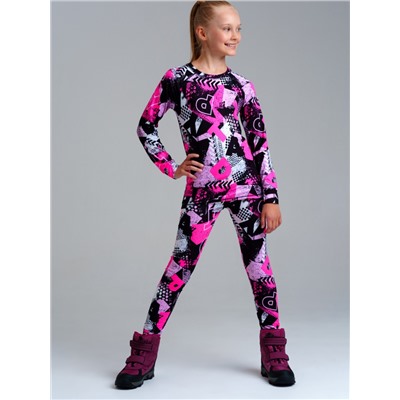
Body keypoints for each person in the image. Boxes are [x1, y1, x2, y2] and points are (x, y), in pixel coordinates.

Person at [115, 0, 295, 389]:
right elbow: (146, 126)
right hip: (202, 194)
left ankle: (273, 351)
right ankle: (144, 353)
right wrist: (171, 165)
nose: (236, 36)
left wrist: (271, 197)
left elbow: (260, 144)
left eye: (239, 28)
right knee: (179, 268)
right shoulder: (177, 80)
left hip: (247, 190)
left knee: (260, 270)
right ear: (202, 32)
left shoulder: (242, 86)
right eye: (227, 28)